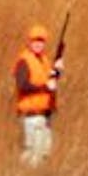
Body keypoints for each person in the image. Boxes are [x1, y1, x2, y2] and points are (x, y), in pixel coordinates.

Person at [11, 24, 63, 166]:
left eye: (41, 41)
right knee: (33, 153)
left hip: (44, 115)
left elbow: (50, 79)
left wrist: (57, 71)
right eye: (35, 40)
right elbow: (22, 85)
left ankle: (26, 175)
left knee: (43, 153)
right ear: (29, 42)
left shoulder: (44, 60)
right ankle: (21, 175)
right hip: (32, 115)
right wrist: (44, 87)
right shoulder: (24, 61)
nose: (38, 44)